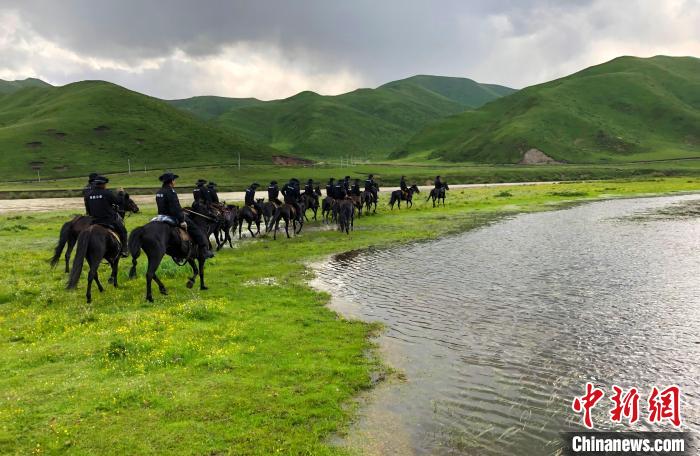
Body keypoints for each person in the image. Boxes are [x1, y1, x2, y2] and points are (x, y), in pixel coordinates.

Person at [156, 172, 214, 259]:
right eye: (174, 180)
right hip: (172, 217)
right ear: (171, 181)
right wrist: (182, 220)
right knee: (195, 229)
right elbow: (175, 208)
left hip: (161, 216)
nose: (174, 182)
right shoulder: (171, 192)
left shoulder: (159, 192)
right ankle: (204, 250)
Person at [85, 175, 128, 257]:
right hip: (108, 220)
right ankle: (124, 250)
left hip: (94, 221)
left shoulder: (88, 195)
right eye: (105, 184)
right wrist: (121, 193)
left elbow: (88, 210)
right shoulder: (107, 193)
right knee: (123, 231)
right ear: (103, 184)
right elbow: (118, 201)